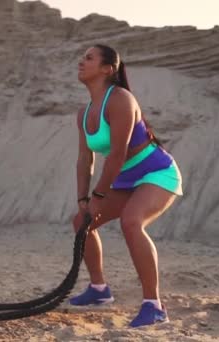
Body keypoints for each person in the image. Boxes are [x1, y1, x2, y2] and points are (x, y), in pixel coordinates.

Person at [69, 44, 183, 328]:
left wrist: (98, 195)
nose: (81, 62)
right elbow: (85, 159)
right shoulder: (83, 112)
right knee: (81, 222)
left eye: (89, 58)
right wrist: (84, 200)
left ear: (108, 69)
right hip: (124, 178)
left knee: (132, 222)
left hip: (156, 172)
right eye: (82, 57)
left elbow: (117, 153)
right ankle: (99, 290)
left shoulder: (121, 99)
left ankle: (154, 306)